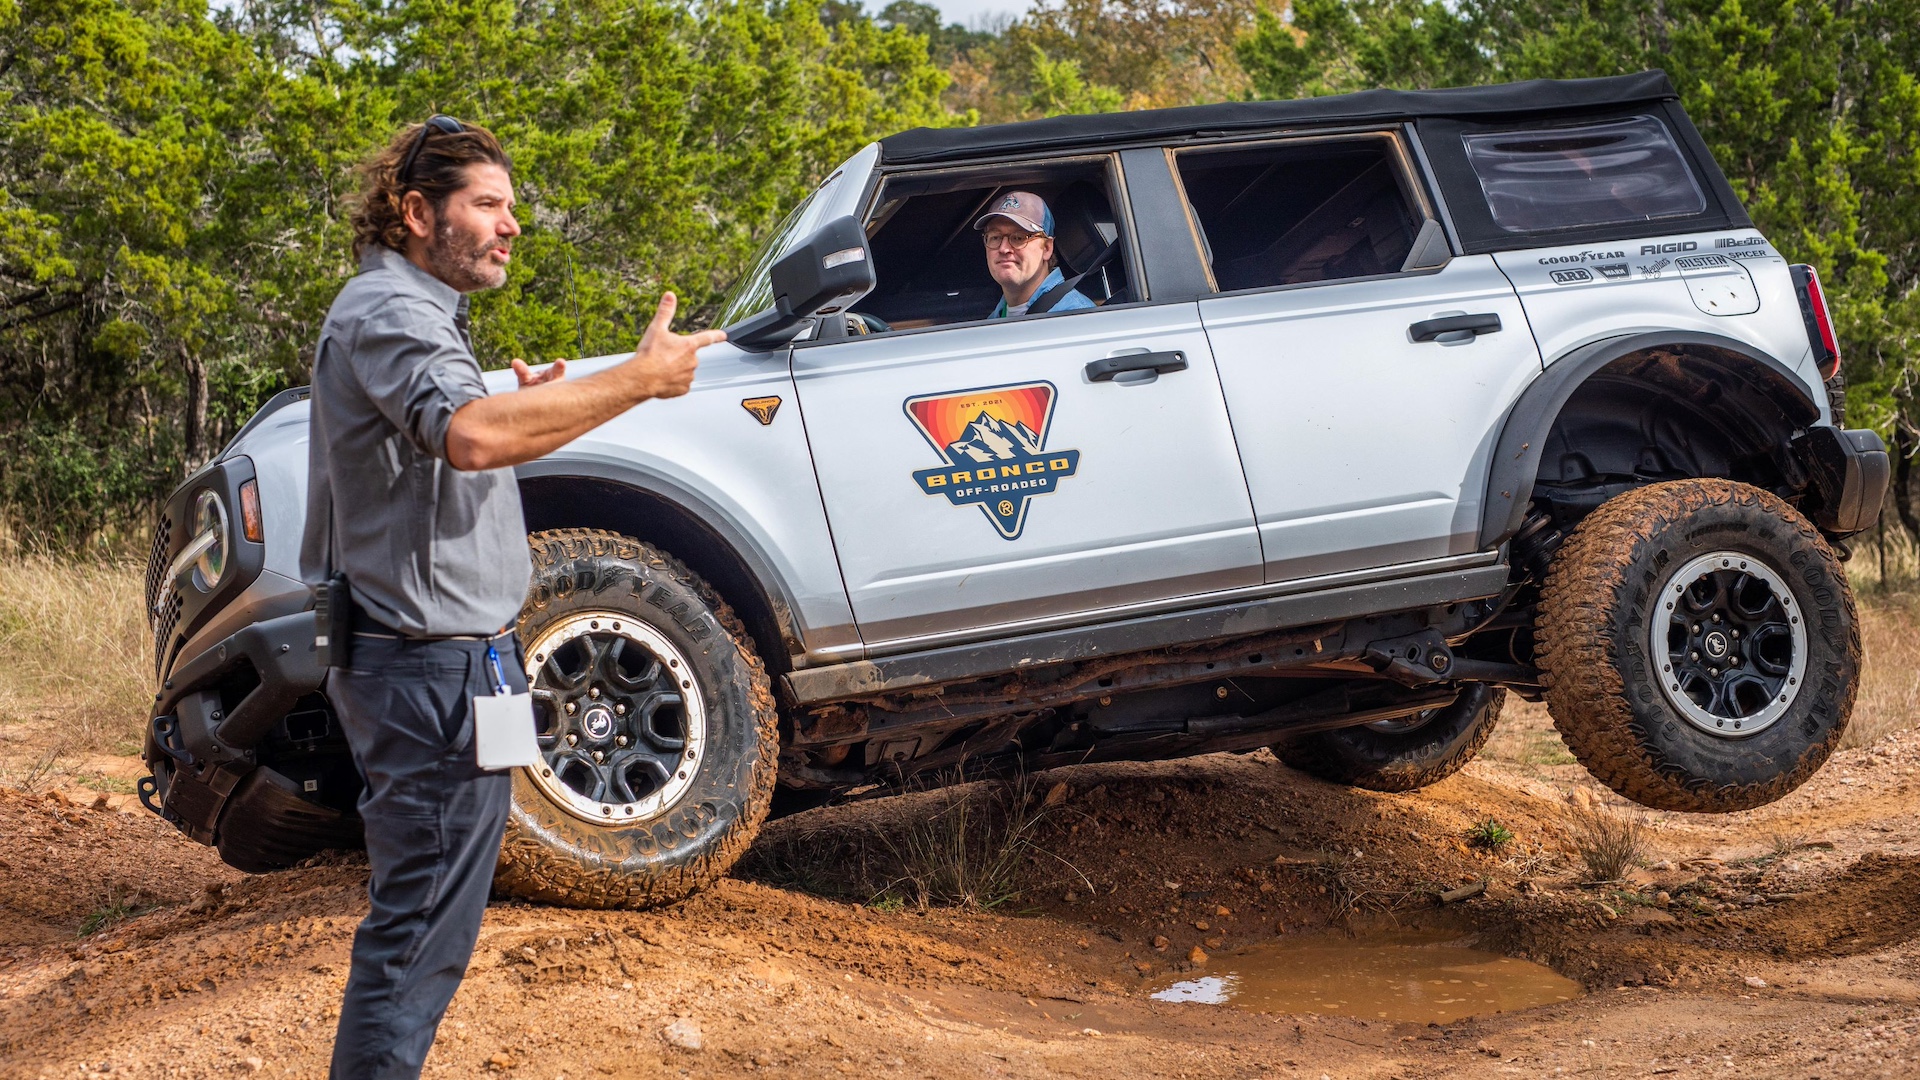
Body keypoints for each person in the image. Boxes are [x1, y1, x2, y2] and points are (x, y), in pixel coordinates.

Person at [300, 115, 724, 1080]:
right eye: (487, 204)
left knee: (432, 922)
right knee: (418, 930)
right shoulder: (390, 310)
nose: (511, 224)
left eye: (510, 205)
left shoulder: (422, 311)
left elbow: (472, 437)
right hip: (425, 670)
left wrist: (530, 407)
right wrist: (636, 381)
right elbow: (474, 436)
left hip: (457, 664)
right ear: (418, 213)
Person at [975, 190, 1096, 318]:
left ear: (1047, 248)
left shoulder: (1075, 317)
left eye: (1018, 238)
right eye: (995, 237)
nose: (1004, 249)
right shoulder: (994, 318)